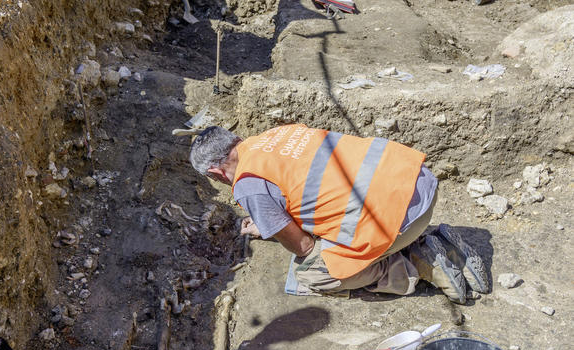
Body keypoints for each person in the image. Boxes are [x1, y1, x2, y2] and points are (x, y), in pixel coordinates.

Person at [189, 124, 490, 304]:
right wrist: (269, 218)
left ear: (215, 172)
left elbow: (304, 246)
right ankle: (434, 241)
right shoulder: (275, 135)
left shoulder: (247, 185)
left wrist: (275, 226)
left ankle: (416, 263)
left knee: (311, 273)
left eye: (217, 180)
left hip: (399, 219)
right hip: (419, 182)